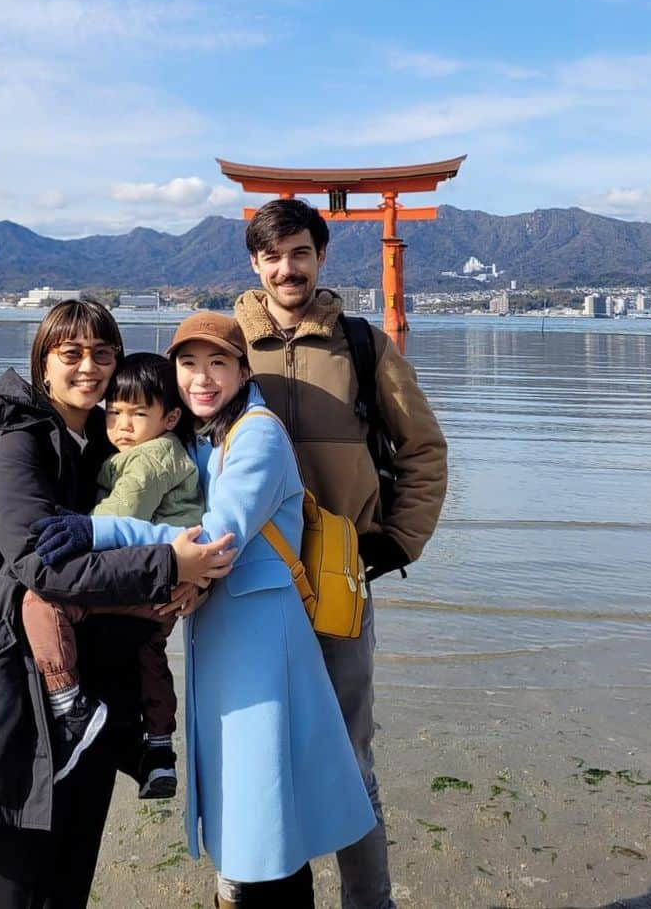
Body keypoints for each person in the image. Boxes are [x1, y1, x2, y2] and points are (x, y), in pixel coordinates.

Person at [0, 299, 235, 909]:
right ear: (43, 364)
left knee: (70, 884)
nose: (89, 367)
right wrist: (170, 564)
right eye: (70, 353)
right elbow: (46, 566)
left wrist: (192, 579)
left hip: (91, 699)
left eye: (104, 353)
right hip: (12, 695)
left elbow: (154, 521)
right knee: (10, 888)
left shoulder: (106, 446)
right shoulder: (12, 448)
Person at [34, 312, 377, 909]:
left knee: (265, 812)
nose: (202, 377)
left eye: (218, 363)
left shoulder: (259, 434)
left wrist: (97, 530)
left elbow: (216, 538)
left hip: (262, 641)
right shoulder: (207, 438)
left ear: (244, 370)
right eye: (188, 364)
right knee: (252, 809)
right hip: (228, 632)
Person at [233, 198, 449, 909]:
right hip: (246, 584)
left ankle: (369, 901)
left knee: (350, 757)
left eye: (299, 252)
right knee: (254, 750)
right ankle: (255, 891)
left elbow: (423, 448)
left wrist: (398, 539)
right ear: (255, 263)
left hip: (338, 582)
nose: (286, 267)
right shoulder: (227, 343)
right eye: (273, 255)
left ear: (321, 258)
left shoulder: (361, 344)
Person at [20, 351, 203, 797]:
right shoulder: (164, 451)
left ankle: (69, 704)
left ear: (171, 417)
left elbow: (120, 515)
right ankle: (160, 750)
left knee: (40, 603)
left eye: (138, 414)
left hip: (146, 575)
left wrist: (78, 522)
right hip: (165, 587)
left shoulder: (149, 461)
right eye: (114, 412)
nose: (122, 425)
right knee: (150, 655)